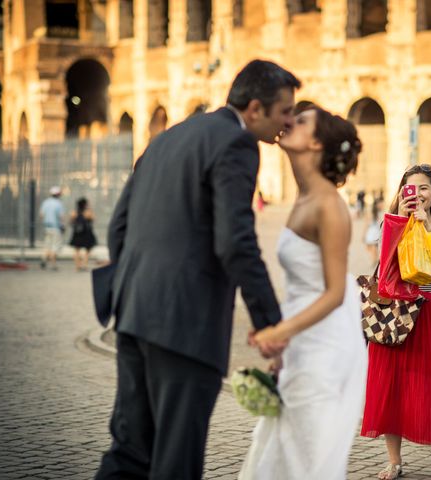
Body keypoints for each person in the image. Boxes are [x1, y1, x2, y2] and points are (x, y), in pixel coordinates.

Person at [95, 60, 301, 479]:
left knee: (129, 452)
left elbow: (119, 226)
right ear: (256, 108)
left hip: (134, 315)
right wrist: (269, 324)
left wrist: (130, 289)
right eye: (285, 111)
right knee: (176, 460)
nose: (289, 121)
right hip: (186, 327)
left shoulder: (169, 137)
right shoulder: (237, 144)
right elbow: (236, 242)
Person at [239, 106, 367, 479]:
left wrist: (281, 332)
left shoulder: (329, 206)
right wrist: (284, 345)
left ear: (315, 142)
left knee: (307, 457)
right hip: (301, 344)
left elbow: (334, 293)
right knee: (284, 453)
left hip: (327, 347)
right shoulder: (303, 198)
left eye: (303, 120)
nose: (290, 121)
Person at [361, 164, 431, 480]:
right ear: (401, 193)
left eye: (424, 187)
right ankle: (394, 461)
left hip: (429, 310)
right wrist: (400, 219)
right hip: (395, 310)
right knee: (391, 385)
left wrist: (424, 228)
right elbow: (385, 266)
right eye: (411, 188)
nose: (419, 194)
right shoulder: (391, 224)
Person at [39, 186, 65, 271]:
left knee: (47, 245)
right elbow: (61, 216)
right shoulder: (58, 204)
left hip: (47, 227)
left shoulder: (46, 202)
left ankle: (43, 259)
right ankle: (53, 265)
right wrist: (62, 225)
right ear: (58, 194)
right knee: (55, 246)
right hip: (56, 228)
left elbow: (41, 215)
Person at [69, 197, 97, 271]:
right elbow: (93, 218)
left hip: (77, 233)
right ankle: (84, 264)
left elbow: (71, 221)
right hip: (86, 233)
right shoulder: (87, 212)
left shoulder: (74, 212)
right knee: (88, 249)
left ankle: (78, 266)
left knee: (76, 250)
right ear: (85, 204)